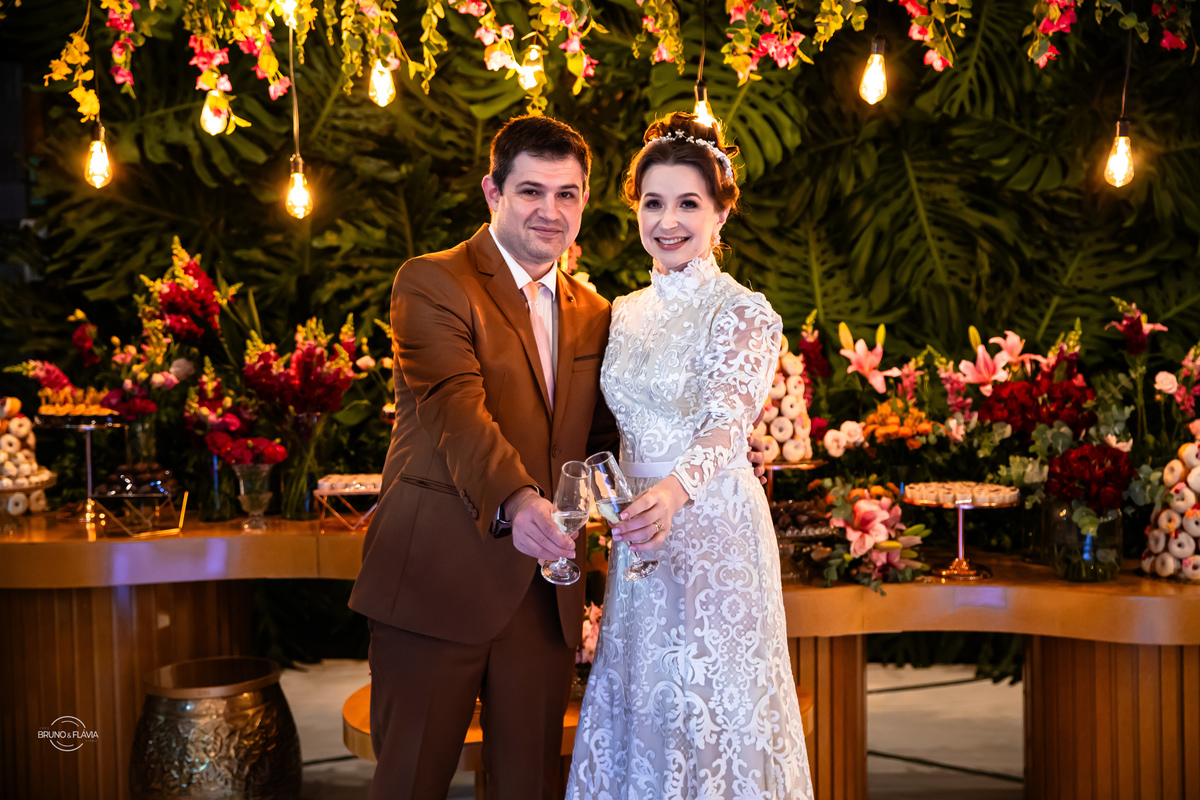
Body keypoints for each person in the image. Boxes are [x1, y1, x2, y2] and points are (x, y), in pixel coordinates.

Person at [348, 115, 618, 800]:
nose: (550, 210)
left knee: (530, 785)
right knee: (410, 783)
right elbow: (455, 409)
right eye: (531, 191)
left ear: (585, 201)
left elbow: (600, 441)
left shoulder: (596, 313)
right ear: (493, 192)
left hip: (545, 595)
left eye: (566, 194)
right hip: (437, 576)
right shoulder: (432, 282)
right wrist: (519, 500)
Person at [565, 113, 814, 799]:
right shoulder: (622, 311)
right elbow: (610, 431)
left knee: (710, 702)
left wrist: (671, 495)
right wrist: (604, 501)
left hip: (710, 529)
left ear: (720, 212)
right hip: (637, 534)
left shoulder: (744, 311)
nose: (667, 220)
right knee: (644, 693)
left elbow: (726, 426)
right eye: (653, 203)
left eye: (688, 204)